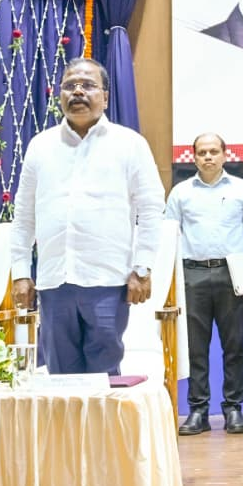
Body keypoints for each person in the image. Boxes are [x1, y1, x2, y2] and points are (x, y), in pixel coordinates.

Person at [10, 58, 164, 375]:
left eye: (88, 85)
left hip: (107, 280)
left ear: (105, 97)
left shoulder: (130, 144)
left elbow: (151, 208)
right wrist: (21, 273)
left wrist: (142, 268)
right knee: (60, 378)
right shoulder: (41, 146)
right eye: (70, 85)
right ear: (60, 95)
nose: (78, 92)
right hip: (54, 282)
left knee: (104, 380)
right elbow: (24, 215)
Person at [167, 133, 243, 436]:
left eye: (213, 151)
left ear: (225, 154)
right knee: (195, 347)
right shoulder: (181, 193)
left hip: (231, 274)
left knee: (233, 346)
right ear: (193, 157)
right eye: (202, 152)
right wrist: (168, 282)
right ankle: (198, 410)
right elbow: (167, 236)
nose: (208, 157)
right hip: (191, 275)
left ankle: (233, 408)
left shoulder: (242, 189)